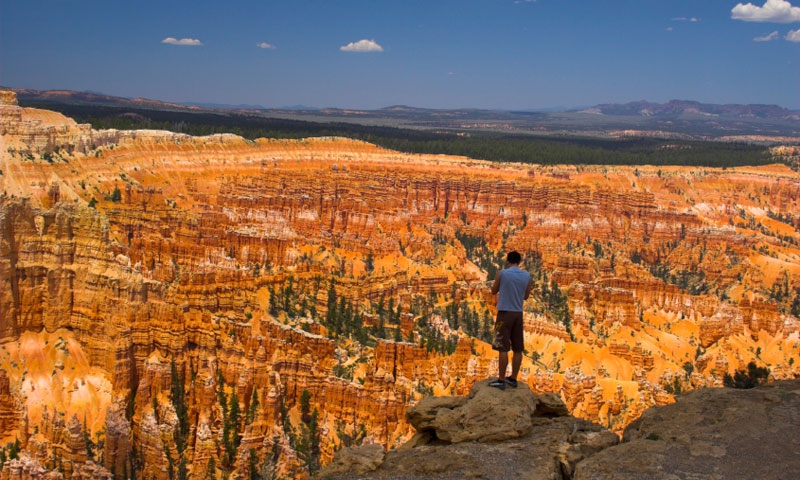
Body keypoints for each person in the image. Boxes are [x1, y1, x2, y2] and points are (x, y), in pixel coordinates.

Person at [489, 251, 533, 390]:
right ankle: (513, 378)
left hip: (504, 313)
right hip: (518, 313)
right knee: (518, 348)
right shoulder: (527, 276)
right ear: (520, 261)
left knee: (502, 347)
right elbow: (526, 296)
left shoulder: (502, 274)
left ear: (508, 261)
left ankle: (501, 380)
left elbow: (493, 291)